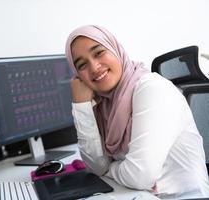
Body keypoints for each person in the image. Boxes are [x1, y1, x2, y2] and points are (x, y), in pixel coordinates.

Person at [65, 25, 209, 199]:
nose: (94, 67)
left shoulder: (152, 89)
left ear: (115, 49)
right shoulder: (104, 105)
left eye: (98, 53)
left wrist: (109, 169)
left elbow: (140, 176)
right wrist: (81, 106)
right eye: (82, 65)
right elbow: (96, 167)